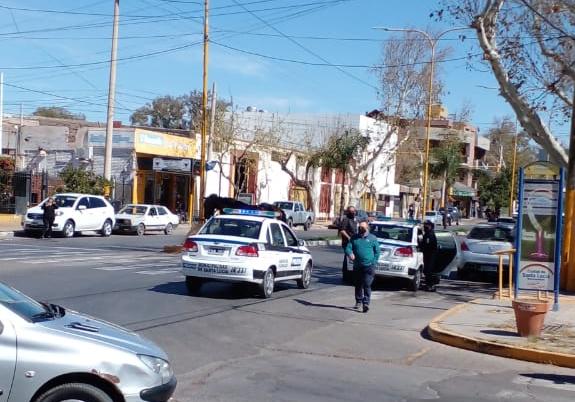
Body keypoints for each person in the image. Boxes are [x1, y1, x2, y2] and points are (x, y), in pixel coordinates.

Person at [345, 222, 380, 313]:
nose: (361, 229)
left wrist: (374, 262)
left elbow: (377, 252)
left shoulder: (372, 238)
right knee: (358, 284)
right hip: (357, 265)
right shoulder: (354, 238)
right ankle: (358, 301)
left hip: (369, 266)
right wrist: (350, 253)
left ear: (367, 228)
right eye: (360, 227)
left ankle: (366, 303)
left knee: (367, 284)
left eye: (362, 227)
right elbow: (348, 248)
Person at [339, 206, 358, 277]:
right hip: (347, 242)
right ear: (348, 212)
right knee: (348, 256)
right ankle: (346, 273)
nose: (352, 213)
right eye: (351, 211)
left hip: (355, 241)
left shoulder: (355, 220)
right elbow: (342, 230)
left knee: (355, 257)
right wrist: (348, 237)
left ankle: (355, 271)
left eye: (353, 211)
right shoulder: (346, 220)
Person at [420, 220, 439, 291]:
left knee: (428, 271)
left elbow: (428, 245)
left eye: (426, 225)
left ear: (430, 226)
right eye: (424, 225)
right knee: (426, 270)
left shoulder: (430, 234)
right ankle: (428, 284)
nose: (425, 226)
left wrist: (422, 248)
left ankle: (431, 285)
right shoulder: (427, 233)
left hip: (430, 255)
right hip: (427, 255)